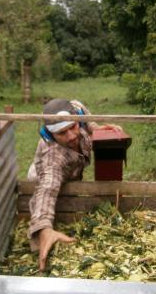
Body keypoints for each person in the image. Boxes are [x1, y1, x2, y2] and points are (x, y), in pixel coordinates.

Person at [27, 98, 121, 271]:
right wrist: (44, 228)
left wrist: (96, 129)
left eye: (72, 127)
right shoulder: (54, 157)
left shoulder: (76, 110)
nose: (71, 136)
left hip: (73, 174)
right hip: (42, 181)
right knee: (56, 202)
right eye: (62, 133)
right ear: (50, 135)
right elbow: (47, 189)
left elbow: (84, 116)